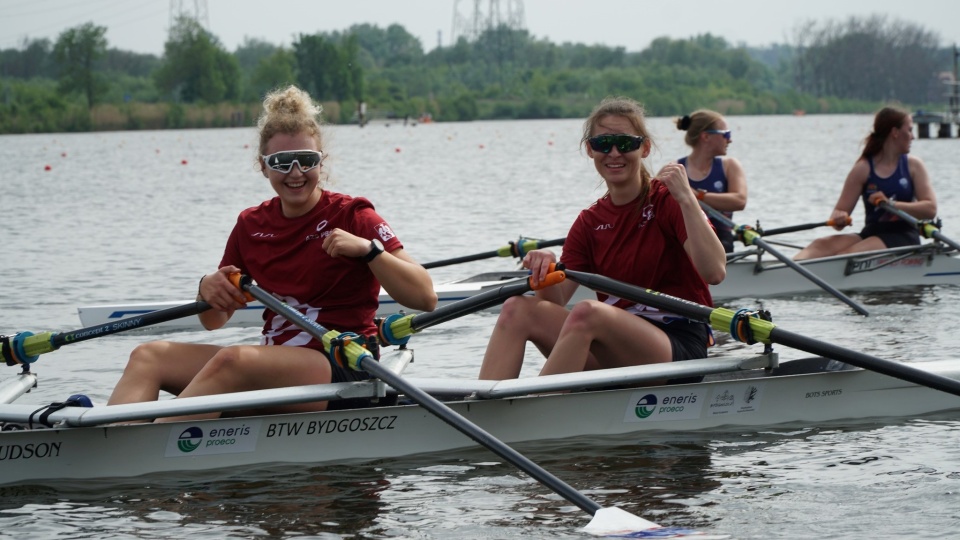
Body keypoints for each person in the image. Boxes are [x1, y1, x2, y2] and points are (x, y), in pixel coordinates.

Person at [107, 85, 437, 421]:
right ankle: (111, 443)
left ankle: (149, 450)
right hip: (272, 365)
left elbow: (425, 297)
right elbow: (213, 320)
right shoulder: (250, 225)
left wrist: (369, 252)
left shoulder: (353, 216)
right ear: (263, 166)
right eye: (280, 162)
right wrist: (205, 287)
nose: (295, 173)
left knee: (233, 361)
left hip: (342, 364)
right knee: (147, 356)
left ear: (321, 162)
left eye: (306, 161)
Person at [477, 97, 726, 382]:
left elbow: (715, 272)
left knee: (588, 313)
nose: (615, 153)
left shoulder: (667, 199)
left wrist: (688, 200)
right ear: (590, 150)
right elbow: (555, 303)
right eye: (603, 144)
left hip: (678, 345)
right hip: (612, 345)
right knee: (516, 308)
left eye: (626, 143)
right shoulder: (589, 222)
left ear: (644, 148)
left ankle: (535, 404)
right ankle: (481, 406)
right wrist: (544, 271)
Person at [794, 106, 937, 260]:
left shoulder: (913, 166)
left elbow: (930, 209)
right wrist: (839, 216)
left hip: (903, 236)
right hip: (871, 233)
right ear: (895, 132)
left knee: (846, 256)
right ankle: (786, 272)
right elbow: (837, 220)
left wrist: (891, 204)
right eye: (909, 130)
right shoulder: (863, 169)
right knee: (820, 245)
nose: (912, 136)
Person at [676, 109, 747, 253]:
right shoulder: (675, 170)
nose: (730, 139)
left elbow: (739, 201)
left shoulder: (730, 166)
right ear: (706, 136)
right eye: (726, 134)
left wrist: (697, 196)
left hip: (721, 241)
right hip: (684, 240)